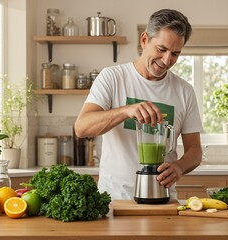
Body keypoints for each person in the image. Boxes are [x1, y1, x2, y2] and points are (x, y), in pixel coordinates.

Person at [74, 9, 203, 200]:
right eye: (161, 49)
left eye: (175, 54)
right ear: (144, 40)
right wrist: (127, 110)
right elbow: (82, 127)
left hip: (163, 199)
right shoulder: (112, 78)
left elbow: (195, 150)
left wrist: (179, 167)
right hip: (114, 200)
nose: (167, 60)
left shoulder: (184, 91)